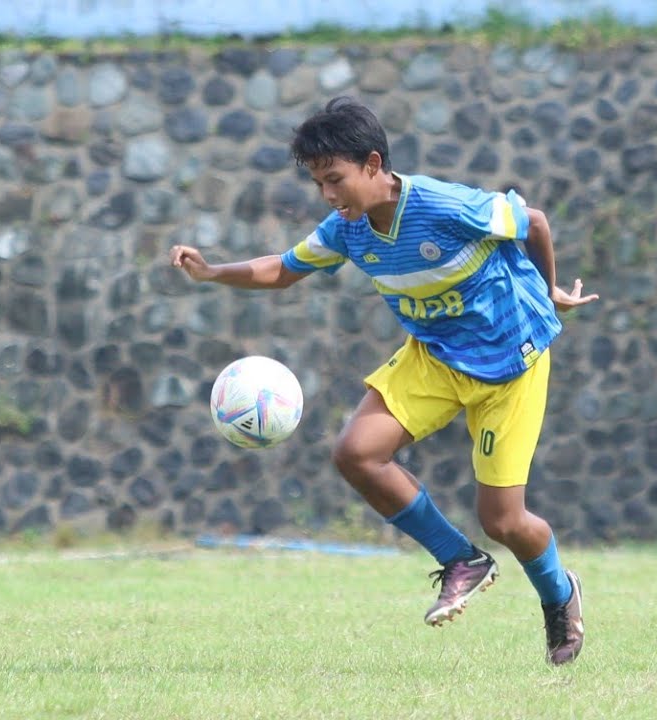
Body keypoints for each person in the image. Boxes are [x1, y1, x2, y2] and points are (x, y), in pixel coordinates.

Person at [169, 96, 598, 666]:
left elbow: (534, 221)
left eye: (335, 179)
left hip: (511, 365)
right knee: (356, 453)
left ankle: (558, 595)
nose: (328, 194)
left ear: (374, 165)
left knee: (504, 520)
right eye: (319, 183)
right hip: (437, 355)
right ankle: (460, 560)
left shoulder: (446, 206)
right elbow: (283, 269)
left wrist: (548, 292)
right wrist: (210, 272)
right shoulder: (346, 230)